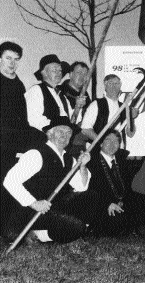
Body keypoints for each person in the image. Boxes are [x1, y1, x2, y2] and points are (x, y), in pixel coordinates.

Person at [2, 117, 96, 244]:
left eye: (68, 132)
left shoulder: (69, 159)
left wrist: (83, 167)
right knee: (76, 227)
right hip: (29, 211)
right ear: (50, 133)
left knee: (91, 196)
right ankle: (33, 233)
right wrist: (34, 203)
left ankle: (45, 233)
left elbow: (81, 187)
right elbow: (10, 181)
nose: (65, 135)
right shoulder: (36, 154)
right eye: (60, 131)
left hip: (52, 208)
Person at [0, 41, 46, 237]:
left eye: (16, 59)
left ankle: (10, 230)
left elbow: (22, 120)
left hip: (13, 144)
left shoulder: (18, 84)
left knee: (12, 184)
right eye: (8, 58)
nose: (12, 63)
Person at [87, 130, 145, 237]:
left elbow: (129, 186)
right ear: (101, 143)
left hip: (121, 203)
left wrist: (125, 201)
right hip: (104, 206)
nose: (112, 144)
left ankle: (136, 228)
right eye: (108, 140)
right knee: (118, 222)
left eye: (116, 142)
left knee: (141, 200)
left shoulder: (122, 160)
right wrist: (107, 204)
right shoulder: (92, 162)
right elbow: (91, 190)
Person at [25, 54, 85, 132]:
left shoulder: (62, 96)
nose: (59, 73)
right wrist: (56, 129)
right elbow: (33, 118)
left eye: (60, 70)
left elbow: (72, 120)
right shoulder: (36, 90)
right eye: (54, 70)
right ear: (44, 73)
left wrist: (78, 106)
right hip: (43, 140)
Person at [81, 74, 135, 146]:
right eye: (110, 83)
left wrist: (132, 118)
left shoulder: (124, 107)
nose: (113, 86)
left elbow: (130, 134)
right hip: (98, 150)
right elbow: (85, 129)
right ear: (105, 85)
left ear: (120, 86)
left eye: (116, 83)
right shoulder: (96, 104)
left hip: (118, 149)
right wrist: (102, 143)